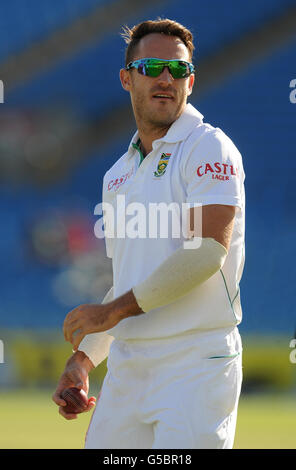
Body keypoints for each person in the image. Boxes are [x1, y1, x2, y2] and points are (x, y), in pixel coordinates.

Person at [53, 18, 245, 449]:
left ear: (190, 81)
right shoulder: (117, 174)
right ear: (127, 78)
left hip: (197, 362)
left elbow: (205, 253)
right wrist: (84, 360)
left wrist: (112, 313)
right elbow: (128, 282)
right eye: (152, 67)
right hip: (128, 367)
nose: (165, 78)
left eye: (178, 70)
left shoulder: (208, 147)